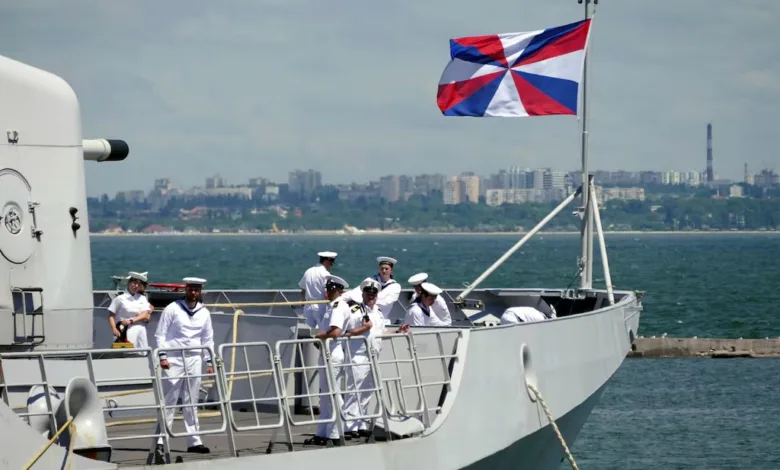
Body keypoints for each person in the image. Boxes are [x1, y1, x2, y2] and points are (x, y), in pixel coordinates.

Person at [154, 277, 214, 462]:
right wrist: (162, 356)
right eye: (191, 289)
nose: (193, 293)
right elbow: (160, 334)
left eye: (197, 290)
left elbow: (207, 339)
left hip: (195, 358)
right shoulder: (173, 308)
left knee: (191, 401)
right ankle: (160, 441)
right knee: (169, 400)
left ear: (200, 291)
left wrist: (209, 361)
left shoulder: (204, 313)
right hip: (173, 358)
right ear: (186, 289)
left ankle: (194, 441)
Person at [306, 275, 351, 446]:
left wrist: (319, 336)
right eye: (327, 288)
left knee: (333, 394)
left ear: (338, 290)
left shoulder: (338, 307)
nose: (327, 291)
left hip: (333, 353)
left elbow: (335, 332)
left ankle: (335, 433)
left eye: (331, 289)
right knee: (325, 395)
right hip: (326, 352)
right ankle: (322, 433)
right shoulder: (333, 306)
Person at [341, 278, 383, 438]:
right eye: (368, 293)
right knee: (354, 390)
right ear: (363, 293)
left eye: (374, 294)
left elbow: (379, 332)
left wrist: (399, 331)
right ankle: (349, 425)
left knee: (367, 390)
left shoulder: (378, 312)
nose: (371, 296)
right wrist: (363, 328)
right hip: (358, 355)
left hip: (374, 355)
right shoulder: (356, 311)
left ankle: (361, 423)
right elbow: (347, 331)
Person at [345, 256, 401, 323]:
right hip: (364, 315)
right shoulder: (370, 280)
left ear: (391, 270)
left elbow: (385, 302)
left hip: (381, 318)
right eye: (382, 268)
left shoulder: (395, 287)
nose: (384, 271)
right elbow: (356, 292)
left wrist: (362, 299)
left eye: (386, 269)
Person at [107, 271, 154, 348]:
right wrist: (114, 328)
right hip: (125, 330)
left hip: (140, 329)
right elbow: (111, 316)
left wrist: (131, 320)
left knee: (143, 352)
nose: (136, 286)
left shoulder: (142, 298)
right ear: (129, 283)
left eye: (138, 285)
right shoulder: (120, 299)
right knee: (128, 352)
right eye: (134, 283)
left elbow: (145, 314)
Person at [298, 251, 337, 329]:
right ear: (327, 260)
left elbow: (302, 290)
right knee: (323, 330)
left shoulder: (308, 271)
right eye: (331, 262)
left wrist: (304, 302)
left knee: (309, 332)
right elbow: (328, 294)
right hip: (320, 305)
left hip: (308, 306)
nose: (332, 265)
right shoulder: (325, 274)